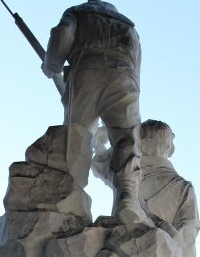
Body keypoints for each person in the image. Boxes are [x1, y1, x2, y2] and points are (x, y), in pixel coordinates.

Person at [42, 0, 150, 227]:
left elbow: (63, 34)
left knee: (77, 135)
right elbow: (137, 62)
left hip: (87, 72)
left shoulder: (77, 12)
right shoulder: (129, 25)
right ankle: (127, 197)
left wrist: (52, 65)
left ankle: (70, 192)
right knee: (127, 138)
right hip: (124, 79)